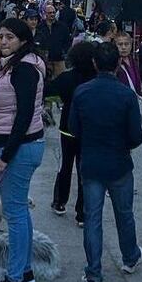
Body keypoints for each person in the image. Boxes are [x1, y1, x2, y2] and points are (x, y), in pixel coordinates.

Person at [67, 41, 142, 282]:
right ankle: (130, 257)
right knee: (124, 214)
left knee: (92, 218)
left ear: (94, 63)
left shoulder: (82, 92)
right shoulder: (126, 95)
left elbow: (74, 129)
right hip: (120, 162)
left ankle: (93, 273)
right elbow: (136, 137)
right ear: (118, 63)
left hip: (91, 162)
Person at [0, 18, 47, 282]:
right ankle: (25, 270)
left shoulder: (23, 68)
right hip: (15, 143)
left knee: (15, 214)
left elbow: (22, 117)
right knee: (19, 211)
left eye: (9, 36)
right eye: (1, 35)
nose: (4, 41)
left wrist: (5, 156)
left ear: (22, 39)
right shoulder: (13, 63)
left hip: (20, 146)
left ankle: (14, 281)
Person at [47, 42, 96, 225]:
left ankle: (59, 201)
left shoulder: (67, 78)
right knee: (85, 169)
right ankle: (82, 212)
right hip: (89, 131)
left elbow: (49, 92)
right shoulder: (96, 79)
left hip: (67, 128)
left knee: (65, 166)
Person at [35, 3, 72, 79]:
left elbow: (67, 41)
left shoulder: (62, 27)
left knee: (60, 80)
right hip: (45, 60)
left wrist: (63, 52)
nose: (52, 14)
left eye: (53, 12)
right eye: (49, 13)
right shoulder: (39, 27)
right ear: (45, 14)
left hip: (59, 59)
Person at [115, 30, 141, 95]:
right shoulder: (115, 63)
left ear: (131, 45)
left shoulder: (133, 60)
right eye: (120, 44)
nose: (123, 47)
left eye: (126, 44)